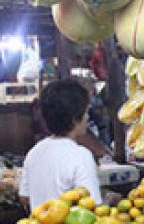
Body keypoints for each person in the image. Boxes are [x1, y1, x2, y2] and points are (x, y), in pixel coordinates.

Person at [19, 79, 102, 209]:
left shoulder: (34, 152)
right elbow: (91, 206)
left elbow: (24, 197)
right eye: (86, 112)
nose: (87, 117)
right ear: (75, 118)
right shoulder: (81, 156)